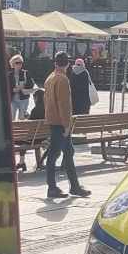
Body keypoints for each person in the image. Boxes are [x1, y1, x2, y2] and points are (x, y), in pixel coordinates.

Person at [42, 54, 88, 201]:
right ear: (67, 64)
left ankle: (74, 186)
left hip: (53, 120)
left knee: (68, 152)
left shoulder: (50, 78)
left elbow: (46, 101)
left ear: (55, 63)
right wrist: (67, 125)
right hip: (60, 123)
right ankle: (52, 187)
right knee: (54, 154)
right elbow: (64, 104)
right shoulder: (62, 79)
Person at [8, 53, 33, 119]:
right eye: (17, 63)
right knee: (12, 119)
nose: (19, 64)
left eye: (21, 62)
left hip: (24, 99)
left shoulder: (26, 73)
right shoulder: (9, 75)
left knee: (21, 119)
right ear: (13, 64)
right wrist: (12, 90)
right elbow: (5, 88)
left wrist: (24, 86)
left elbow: (31, 85)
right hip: (13, 100)